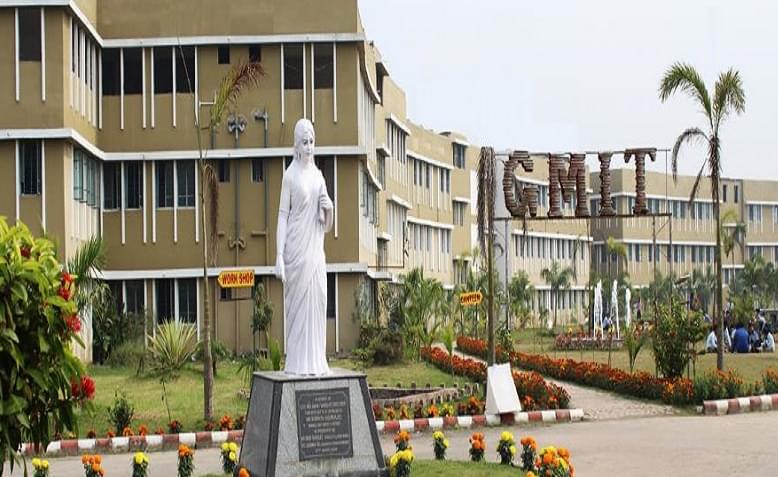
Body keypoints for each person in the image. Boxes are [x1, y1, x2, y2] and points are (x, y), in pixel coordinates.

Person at [274, 118, 333, 376]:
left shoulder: (319, 176)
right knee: (298, 309)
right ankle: (298, 363)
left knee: (318, 298)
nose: (309, 147)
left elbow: (326, 222)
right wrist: (278, 255)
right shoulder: (290, 176)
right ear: (296, 145)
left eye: (312, 142)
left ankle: (316, 360)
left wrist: (329, 209)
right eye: (304, 142)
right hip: (296, 250)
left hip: (315, 251)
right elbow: (282, 216)